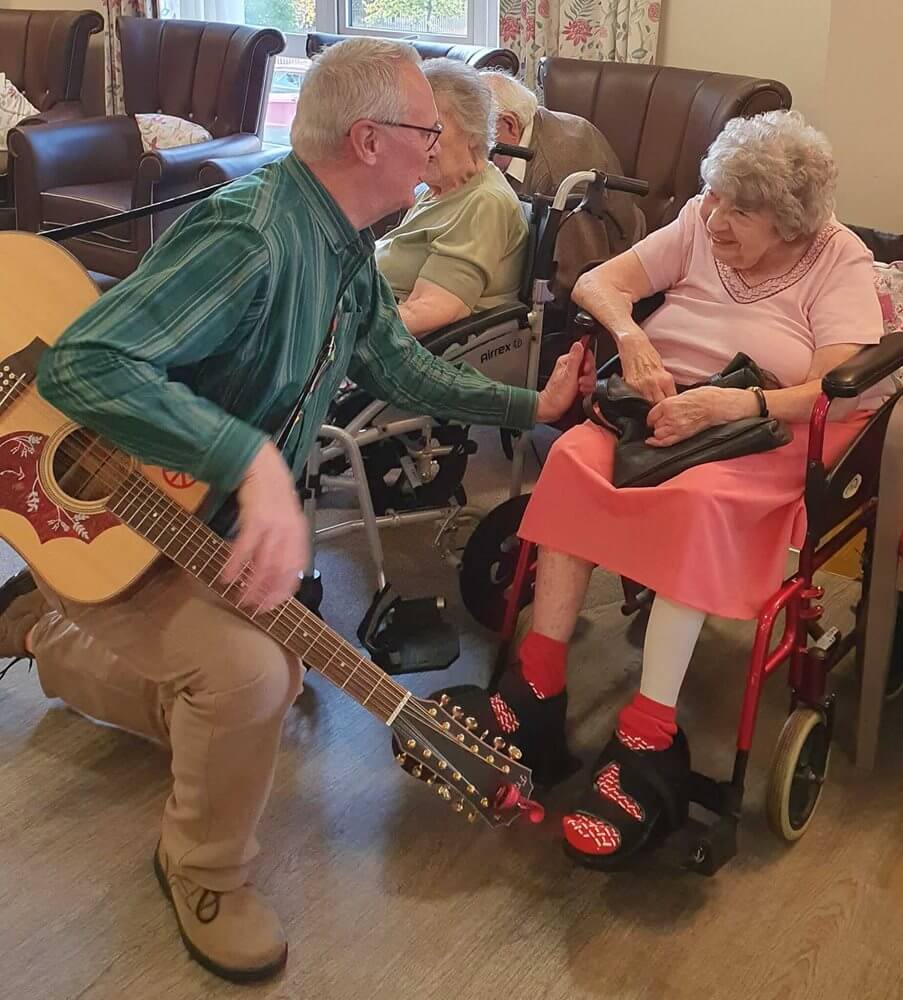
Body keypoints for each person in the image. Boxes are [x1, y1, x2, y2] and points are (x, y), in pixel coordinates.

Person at [0, 38, 593, 982]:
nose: (442, 146)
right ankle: (202, 871)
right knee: (247, 681)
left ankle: (47, 640)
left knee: (274, 672)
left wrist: (532, 407)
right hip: (110, 517)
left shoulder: (345, 245)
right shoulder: (254, 236)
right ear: (368, 141)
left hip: (191, 516)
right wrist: (246, 458)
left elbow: (399, 368)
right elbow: (79, 363)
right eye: (426, 131)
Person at [448, 110, 888, 871]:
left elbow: (837, 391)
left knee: (692, 500)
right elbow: (599, 281)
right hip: (657, 414)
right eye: (713, 198)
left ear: (789, 223)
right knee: (574, 461)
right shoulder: (697, 219)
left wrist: (735, 404)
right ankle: (538, 687)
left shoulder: (836, 259)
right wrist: (633, 336)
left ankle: (649, 731)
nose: (714, 220)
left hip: (757, 431)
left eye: (738, 212)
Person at [375, 59, 527, 337]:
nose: (420, 143)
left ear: (472, 131)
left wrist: (339, 325)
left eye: (433, 129)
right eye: (412, 129)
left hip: (422, 351)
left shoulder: (484, 203)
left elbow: (432, 309)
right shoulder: (435, 188)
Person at [482, 70, 645, 297]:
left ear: (509, 125)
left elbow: (578, 274)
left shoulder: (561, 171)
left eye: (475, 134)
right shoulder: (522, 131)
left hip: (605, 262)